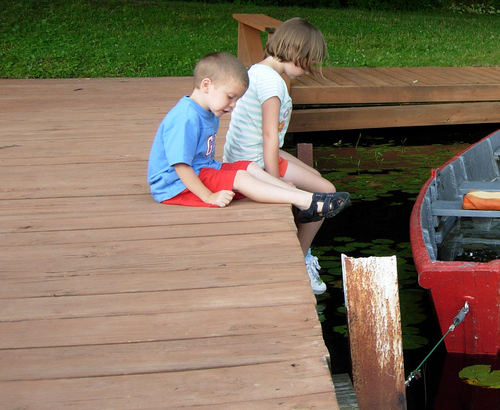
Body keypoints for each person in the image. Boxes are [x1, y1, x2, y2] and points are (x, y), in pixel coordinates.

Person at [148, 52, 350, 293]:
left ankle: (283, 189)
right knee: (240, 177)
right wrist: (209, 196)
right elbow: (180, 166)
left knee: (247, 166)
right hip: (174, 184)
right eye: (230, 97)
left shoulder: (207, 110)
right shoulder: (186, 118)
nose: (232, 105)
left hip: (201, 170)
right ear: (206, 85)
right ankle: (307, 201)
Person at [222, 18, 345, 295]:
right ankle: (299, 258)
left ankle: (303, 246)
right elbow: (269, 136)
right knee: (326, 192)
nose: (308, 70)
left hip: (245, 154)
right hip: (253, 162)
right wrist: (275, 184)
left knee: (314, 178)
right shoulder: (274, 86)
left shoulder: (256, 71)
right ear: (296, 54)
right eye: (308, 63)